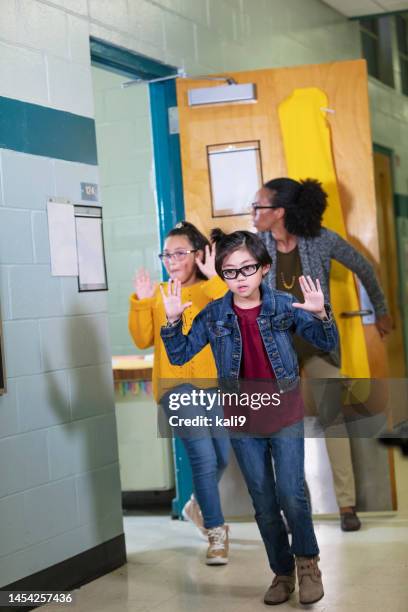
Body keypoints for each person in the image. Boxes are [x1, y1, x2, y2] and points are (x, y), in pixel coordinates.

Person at [160, 229, 339, 606]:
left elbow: (325, 342)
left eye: (247, 269)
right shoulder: (214, 314)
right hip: (243, 420)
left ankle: (308, 563)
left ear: (264, 269)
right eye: (230, 272)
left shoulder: (283, 304)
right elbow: (179, 356)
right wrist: (174, 322)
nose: (240, 279)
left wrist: (321, 313)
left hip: (285, 412)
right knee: (263, 500)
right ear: (222, 275)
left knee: (291, 494)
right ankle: (282, 572)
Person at [252, 177, 392, 531]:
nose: (253, 213)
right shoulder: (257, 245)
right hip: (276, 349)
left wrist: (381, 310)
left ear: (279, 211)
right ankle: (290, 507)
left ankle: (346, 506)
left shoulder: (320, 240)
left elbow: (363, 267)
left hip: (317, 346)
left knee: (334, 420)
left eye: (259, 206)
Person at [128, 221, 230, 565]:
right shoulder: (157, 293)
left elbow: (229, 316)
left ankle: (198, 505)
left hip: (213, 385)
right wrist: (143, 303)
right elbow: (142, 339)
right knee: (203, 458)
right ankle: (216, 533)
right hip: (175, 387)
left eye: (180, 253)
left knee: (223, 457)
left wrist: (214, 276)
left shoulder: (210, 290)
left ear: (198, 255)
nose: (171, 260)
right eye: (167, 254)